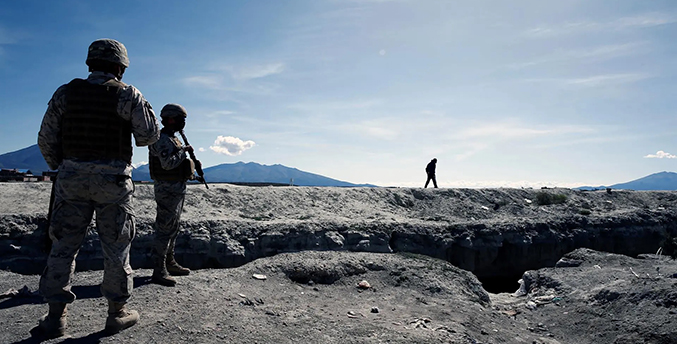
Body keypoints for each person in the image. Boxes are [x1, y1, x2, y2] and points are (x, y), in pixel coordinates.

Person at [34, 38, 160, 338]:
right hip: (112, 182)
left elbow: (46, 138)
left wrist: (64, 166)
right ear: (120, 66)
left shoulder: (66, 93)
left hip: (71, 180)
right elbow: (148, 135)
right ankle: (117, 313)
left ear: (90, 63)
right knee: (116, 247)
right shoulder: (128, 94)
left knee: (63, 246)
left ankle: (55, 318)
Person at [148, 104, 196, 287]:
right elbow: (168, 163)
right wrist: (184, 152)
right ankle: (159, 269)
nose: (183, 122)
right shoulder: (162, 139)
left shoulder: (173, 139)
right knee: (164, 228)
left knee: (173, 228)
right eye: (180, 118)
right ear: (170, 119)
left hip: (176, 188)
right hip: (166, 189)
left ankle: (170, 261)